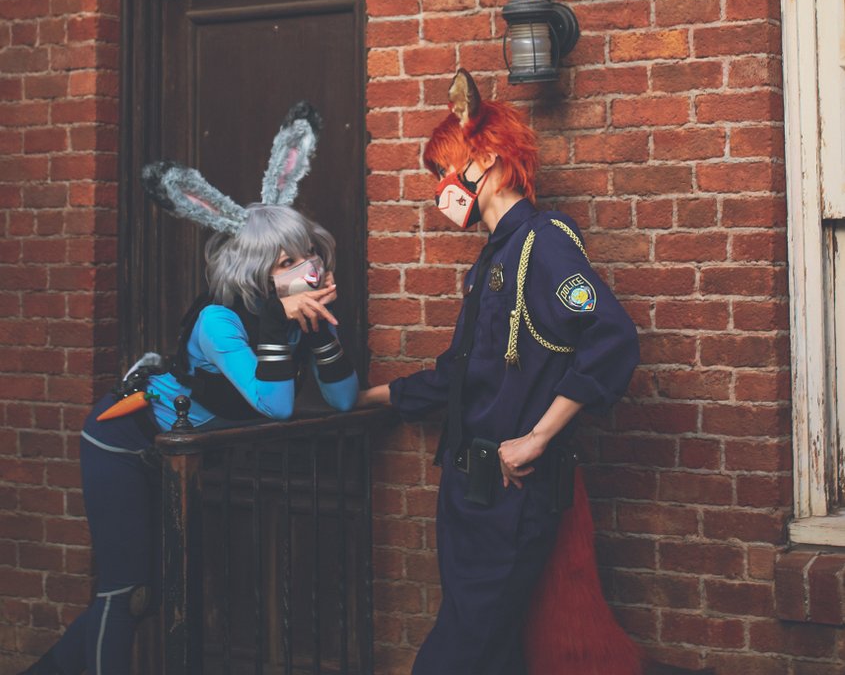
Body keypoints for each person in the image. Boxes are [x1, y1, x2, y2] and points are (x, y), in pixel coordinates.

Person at [19, 107, 359, 675]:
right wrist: (278, 320)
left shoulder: (292, 315)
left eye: (307, 255)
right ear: (255, 270)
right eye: (287, 261)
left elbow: (343, 399)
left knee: (153, 593)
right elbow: (275, 406)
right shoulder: (218, 322)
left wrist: (321, 329)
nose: (306, 269)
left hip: (180, 452)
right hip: (124, 440)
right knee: (129, 593)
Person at [358, 69, 641, 675]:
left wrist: (538, 437)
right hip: (469, 493)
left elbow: (612, 338)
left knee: (459, 652)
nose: (439, 188)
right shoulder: (493, 258)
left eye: (443, 170)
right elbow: (461, 375)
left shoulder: (543, 244)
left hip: (512, 492)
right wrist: (369, 398)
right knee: (494, 652)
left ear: (484, 160)